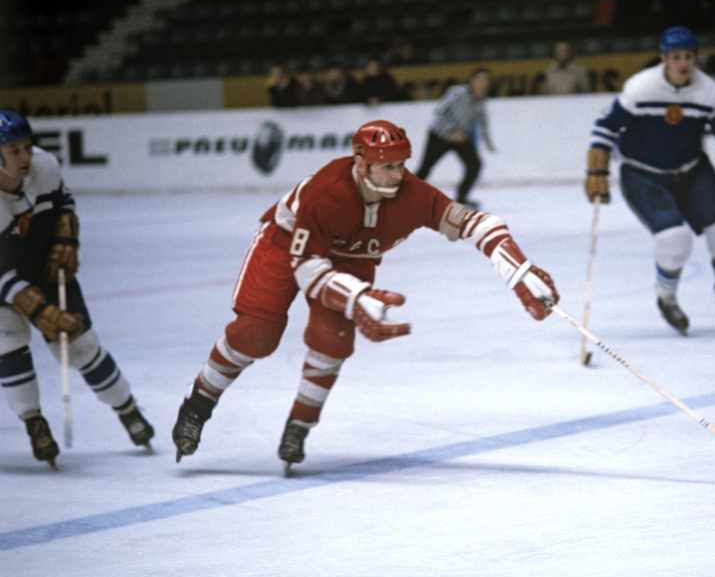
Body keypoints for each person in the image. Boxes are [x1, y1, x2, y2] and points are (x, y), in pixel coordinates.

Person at [171, 120, 559, 466]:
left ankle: (299, 426)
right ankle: (198, 405)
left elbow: (475, 222)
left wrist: (517, 269)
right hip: (288, 243)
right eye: (388, 166)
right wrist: (355, 297)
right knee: (256, 333)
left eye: (402, 164)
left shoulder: (413, 193)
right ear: (361, 164)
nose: (398, 175)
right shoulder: (327, 192)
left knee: (332, 342)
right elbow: (307, 269)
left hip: (349, 259)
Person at [585, 26, 715, 334]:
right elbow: (606, 127)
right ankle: (667, 299)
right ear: (663, 58)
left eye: (688, 57)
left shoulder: (709, 92)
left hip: (693, 171)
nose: (683, 64)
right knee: (674, 240)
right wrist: (597, 170)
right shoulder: (641, 88)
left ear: (696, 58)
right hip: (643, 174)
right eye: (675, 57)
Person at [0, 111, 154, 465]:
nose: (26, 157)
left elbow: (63, 202)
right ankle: (33, 421)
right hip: (3, 285)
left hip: (43, 270)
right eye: (14, 151)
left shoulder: (45, 165)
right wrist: (36, 309)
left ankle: (127, 409)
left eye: (27, 146)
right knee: (9, 343)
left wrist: (66, 234)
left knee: (81, 345)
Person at [414, 69, 495, 207]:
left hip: (460, 139)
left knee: (475, 164)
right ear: (472, 81)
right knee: (425, 169)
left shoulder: (480, 100)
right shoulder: (457, 92)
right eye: (480, 79)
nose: (483, 83)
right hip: (440, 136)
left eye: (486, 81)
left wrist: (487, 140)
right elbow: (439, 111)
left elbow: (483, 120)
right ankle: (401, 196)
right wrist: (453, 130)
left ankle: (461, 197)